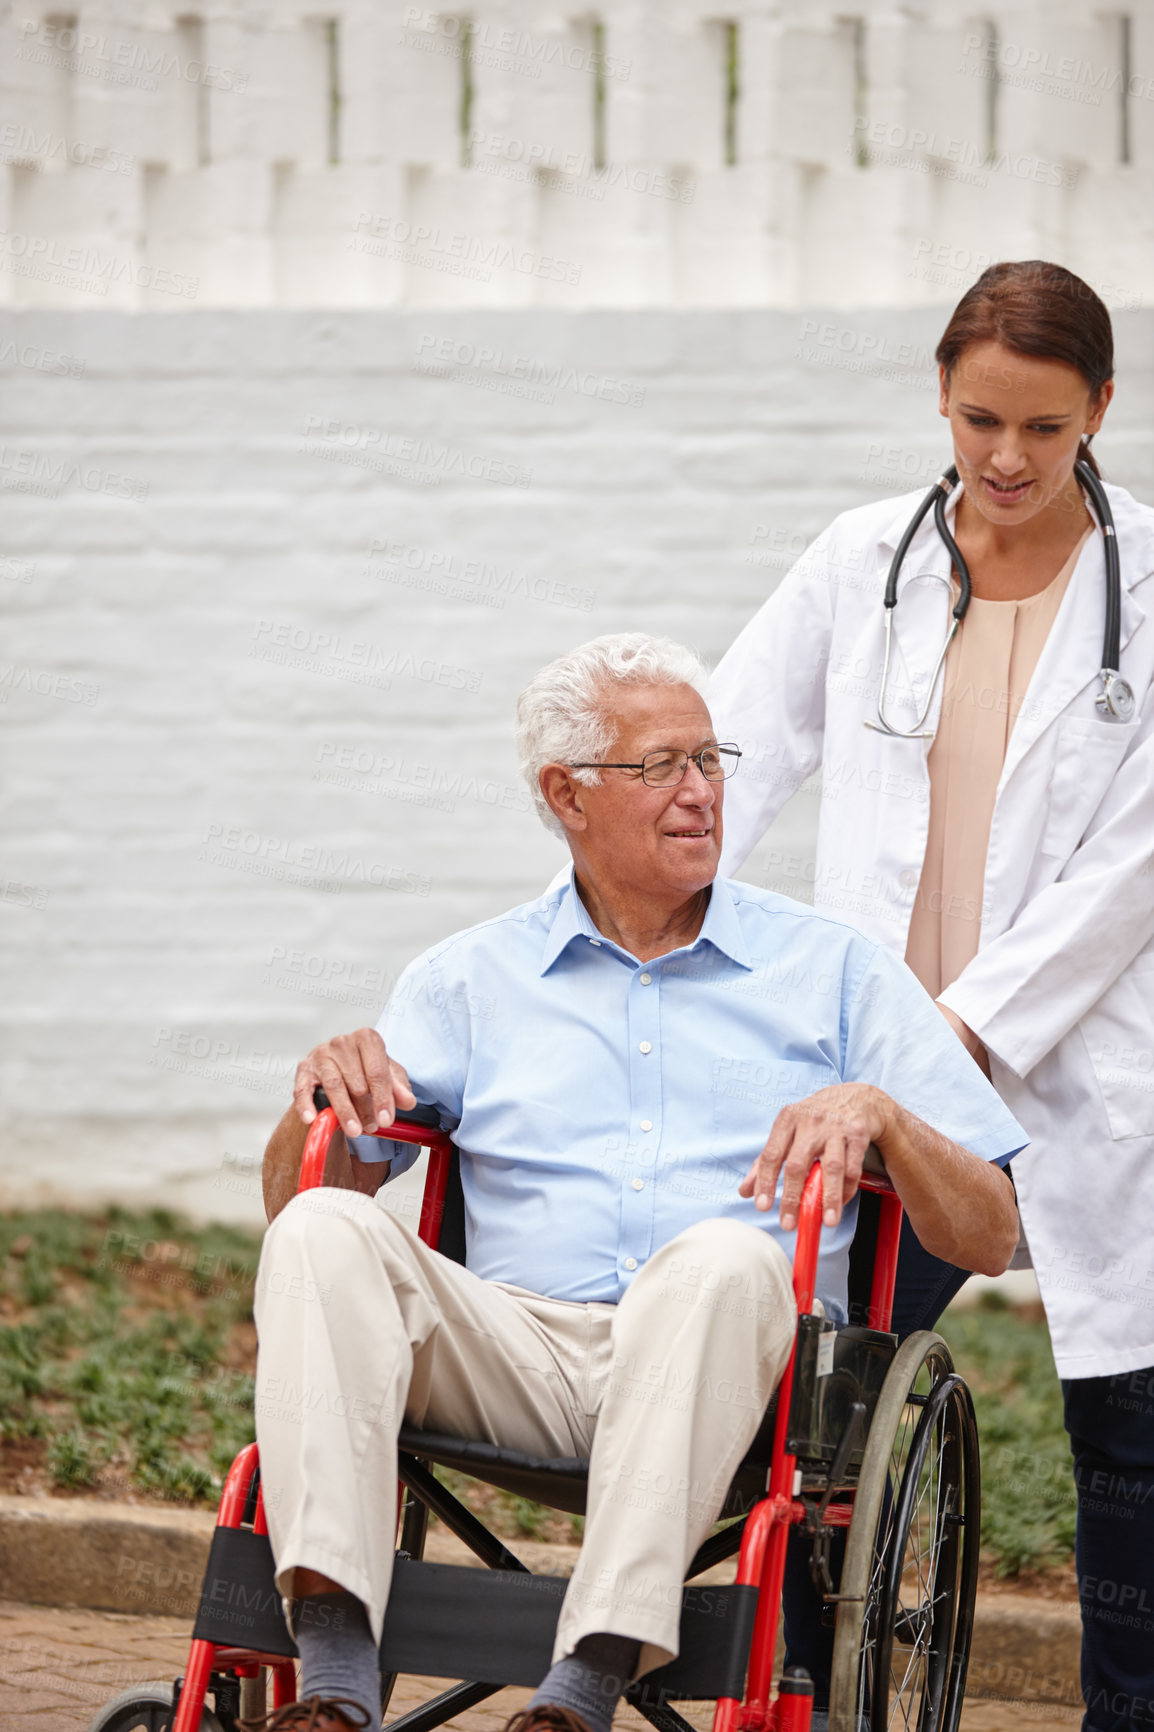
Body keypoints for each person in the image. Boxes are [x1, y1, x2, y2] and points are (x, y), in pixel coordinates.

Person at [248, 633, 1022, 1732]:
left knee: (717, 1256)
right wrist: (315, 1099)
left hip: (732, 1361)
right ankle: (330, 1684)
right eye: (659, 766)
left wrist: (884, 1113)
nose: (700, 793)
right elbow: (291, 1205)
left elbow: (988, 1229)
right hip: (515, 1348)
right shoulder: (471, 975)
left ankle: (580, 1691)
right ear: (565, 794)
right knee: (325, 1229)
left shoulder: (831, 969)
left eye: (709, 760)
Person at [708, 261, 1154, 1732]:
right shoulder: (860, 562)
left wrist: (937, 1038)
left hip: (1075, 1060)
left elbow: (1124, 877)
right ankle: (795, 1691)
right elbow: (731, 749)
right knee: (820, 1403)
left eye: (1042, 425)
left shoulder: (1148, 596)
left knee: (1128, 1433)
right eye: (978, 421)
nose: (1007, 459)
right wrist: (639, 877)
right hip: (877, 1066)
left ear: (1099, 406)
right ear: (940, 400)